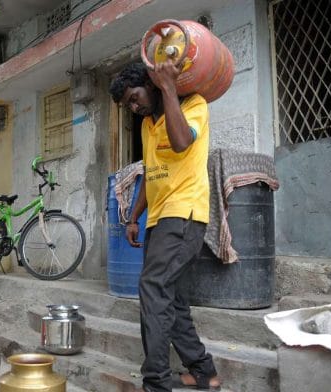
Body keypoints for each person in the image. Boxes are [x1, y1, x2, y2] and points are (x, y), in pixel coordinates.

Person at [110, 62, 220, 392]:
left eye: (135, 97)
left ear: (152, 85)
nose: (134, 106)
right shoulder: (146, 124)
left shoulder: (193, 104)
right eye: (127, 103)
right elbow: (150, 173)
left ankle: (155, 383)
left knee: (153, 288)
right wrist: (133, 217)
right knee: (171, 299)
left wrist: (170, 87)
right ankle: (204, 373)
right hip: (158, 219)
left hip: (184, 213)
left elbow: (182, 141)